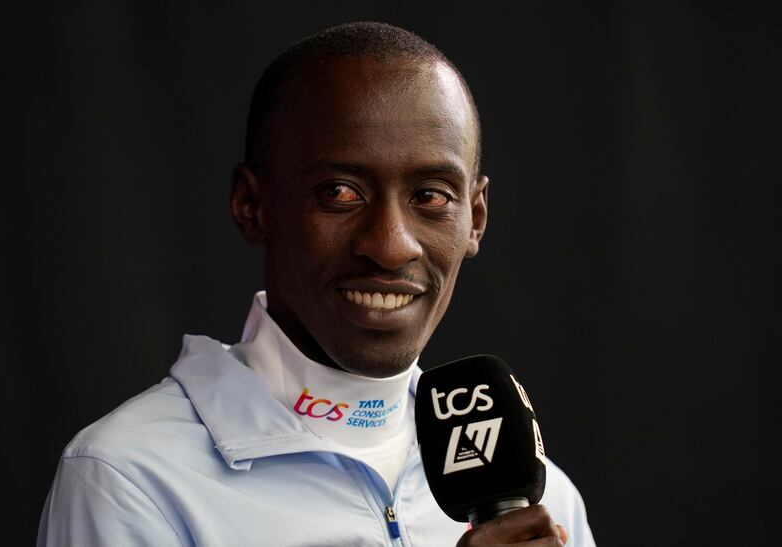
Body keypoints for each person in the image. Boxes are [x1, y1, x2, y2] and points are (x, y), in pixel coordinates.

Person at [38, 21, 596, 546]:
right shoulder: (132, 477)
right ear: (252, 205)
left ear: (474, 217)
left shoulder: (540, 505)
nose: (391, 243)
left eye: (430, 196)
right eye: (340, 192)